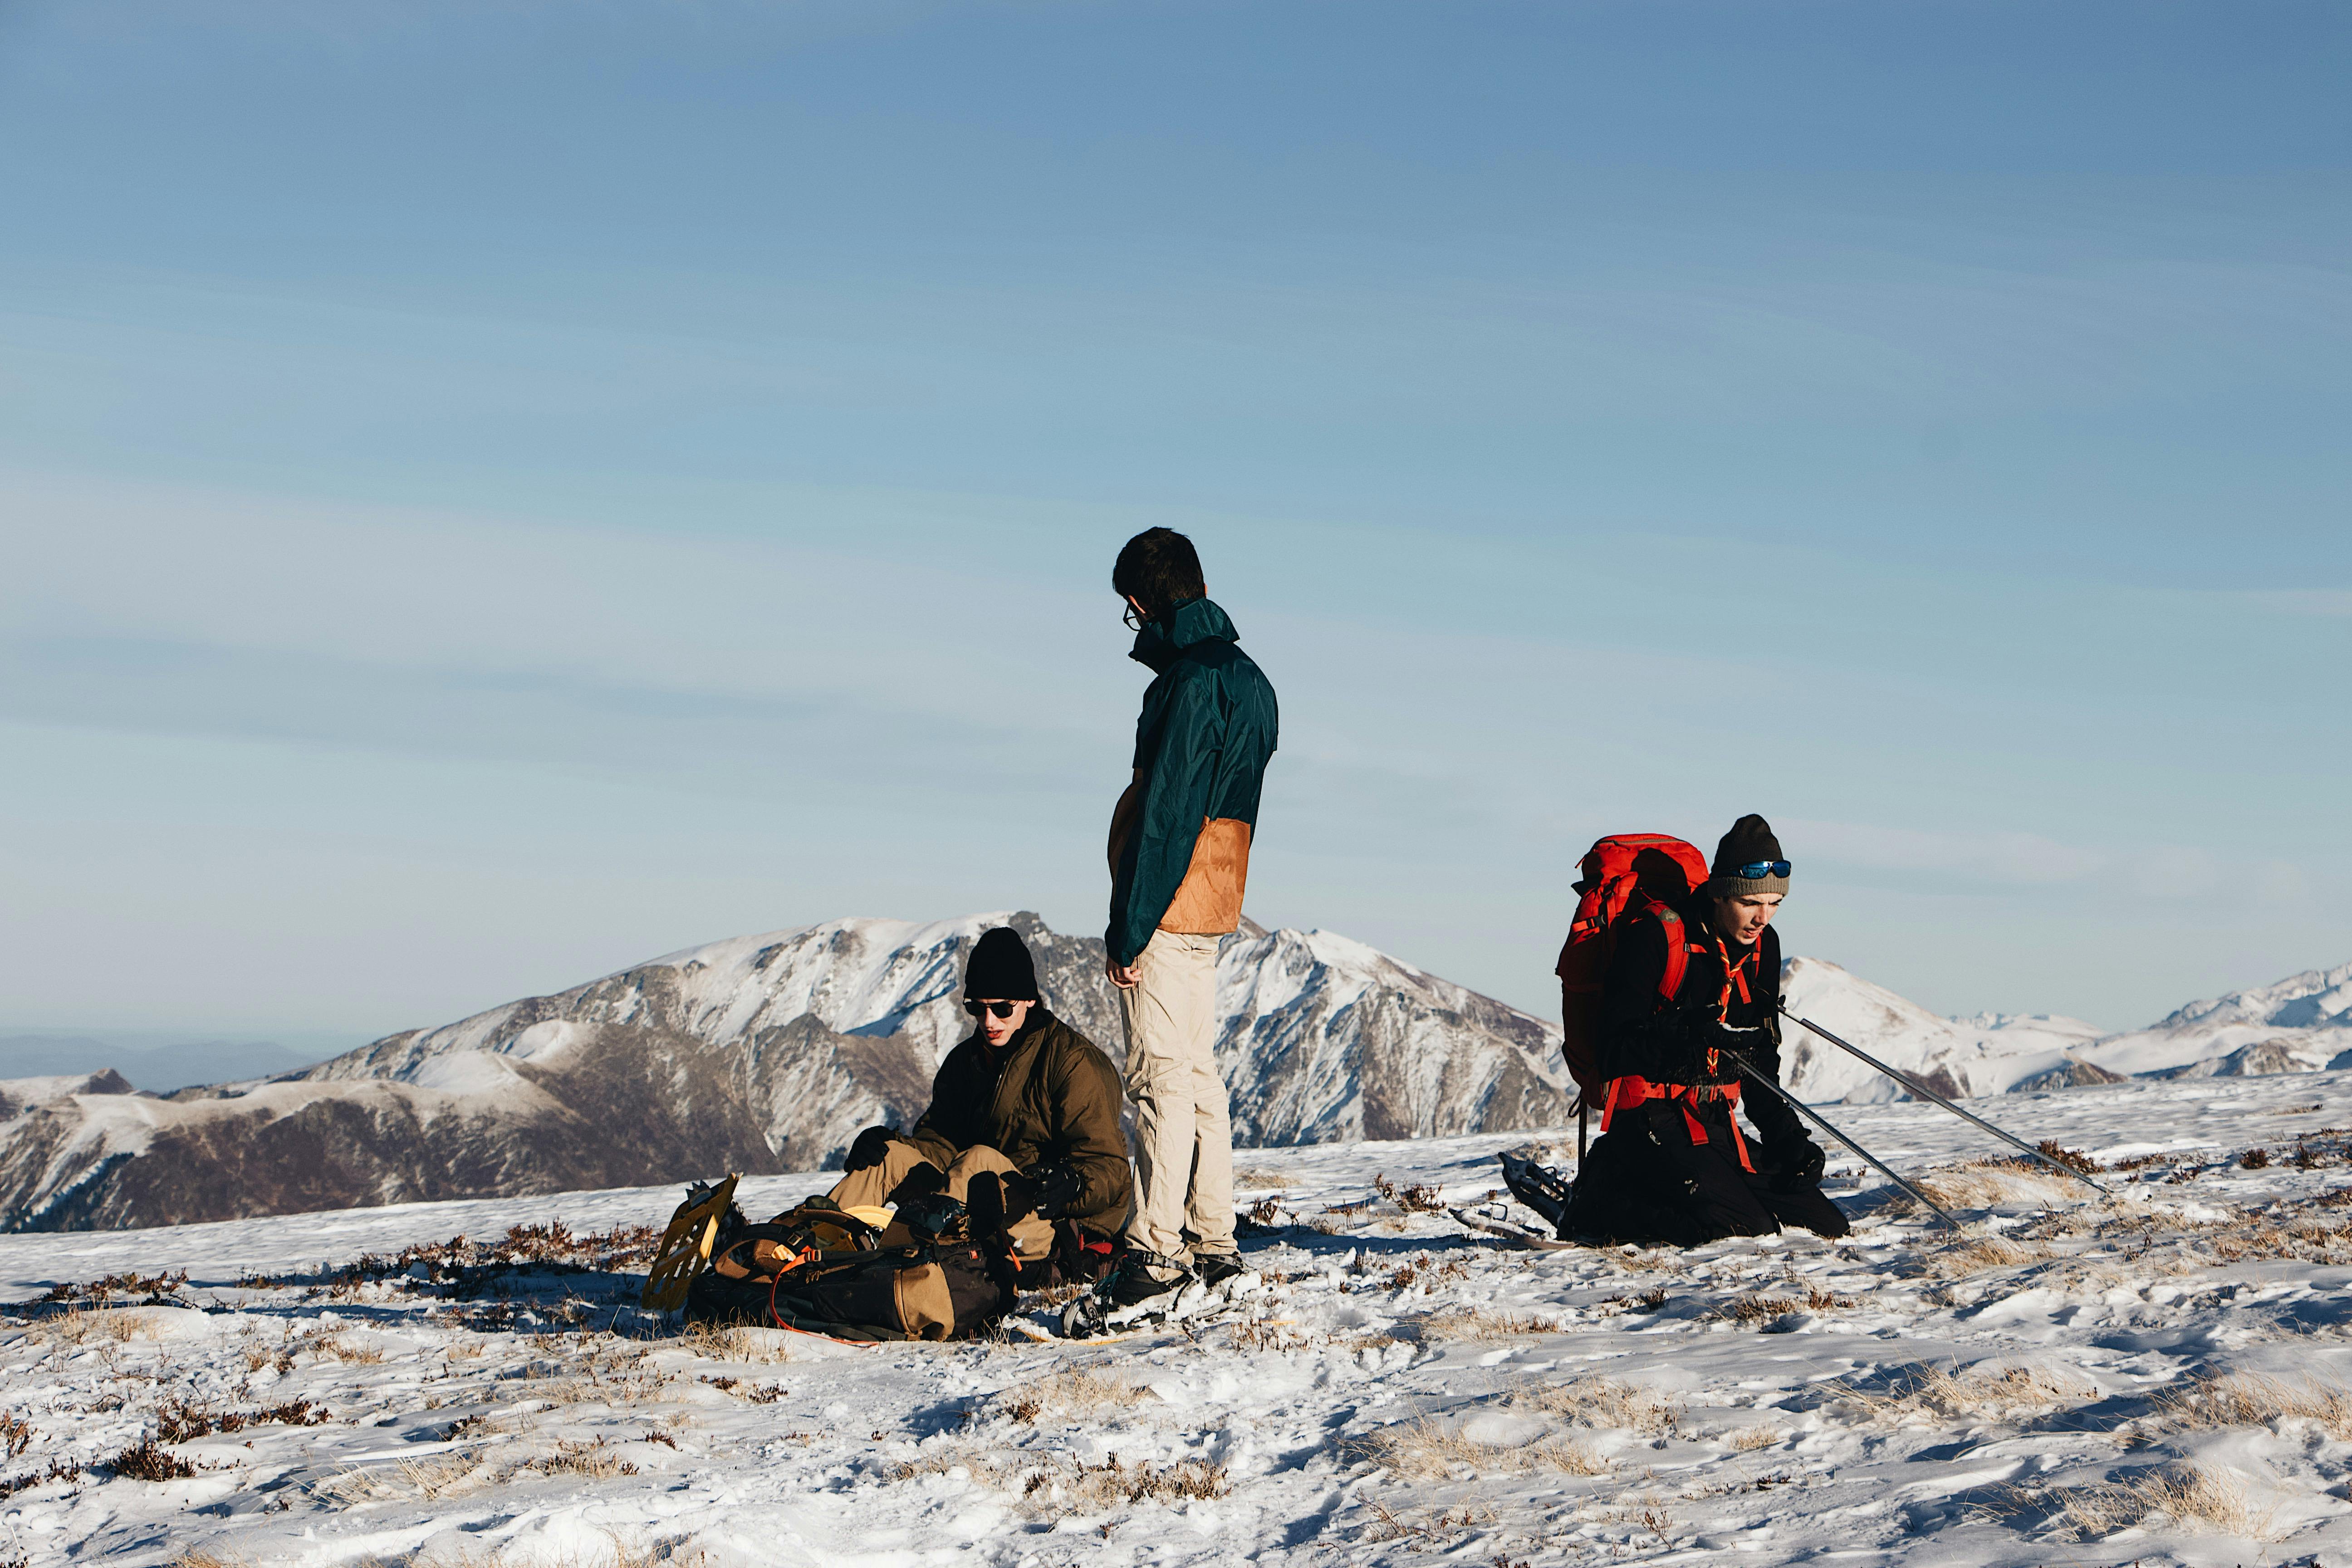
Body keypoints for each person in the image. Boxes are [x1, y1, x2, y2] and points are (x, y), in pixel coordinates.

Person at [1097, 527, 1279, 1309]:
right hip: (1216, 897)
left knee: (1157, 1080)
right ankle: (1212, 1239)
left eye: (1128, 610)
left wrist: (1127, 927)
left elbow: (1166, 811)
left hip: (1165, 903)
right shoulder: (1251, 680)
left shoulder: (1185, 683)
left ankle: (1154, 1253)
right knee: (1198, 1074)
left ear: (1145, 601)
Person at [1565, 814, 1851, 1245]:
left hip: (1715, 1120)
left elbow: (1759, 1059)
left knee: (1828, 1228)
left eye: (1775, 904)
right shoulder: (1657, 936)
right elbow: (1614, 1046)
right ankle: (1606, 1196)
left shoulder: (1762, 949)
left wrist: (1786, 1138)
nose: (1763, 918)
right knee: (1744, 1229)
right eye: (1751, 903)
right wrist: (1686, 1040)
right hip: (1648, 1119)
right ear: (1720, 895)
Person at [829, 927, 1132, 1272]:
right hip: (970, 1209)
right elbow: (941, 1143)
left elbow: (1112, 1168)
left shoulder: (1074, 1063)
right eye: (977, 1008)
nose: (989, 1022)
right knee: (890, 1158)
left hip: (1048, 1222)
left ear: (1029, 1000)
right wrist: (891, 1144)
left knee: (979, 1161)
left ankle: (897, 1268)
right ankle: (800, 1252)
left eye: (1003, 1008)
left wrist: (1073, 1183)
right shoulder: (966, 1061)